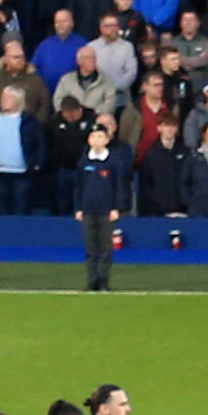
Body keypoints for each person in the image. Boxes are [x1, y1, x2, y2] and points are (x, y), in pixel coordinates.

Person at [71, 122, 133, 292]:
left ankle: (104, 280)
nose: (97, 140)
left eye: (100, 137)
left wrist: (116, 208)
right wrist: (78, 208)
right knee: (90, 248)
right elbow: (78, 186)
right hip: (88, 211)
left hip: (106, 212)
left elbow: (118, 186)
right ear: (89, 140)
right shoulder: (84, 162)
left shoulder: (112, 162)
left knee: (106, 248)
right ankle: (91, 281)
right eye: (94, 137)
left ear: (106, 140)